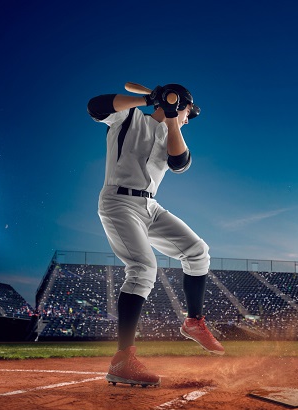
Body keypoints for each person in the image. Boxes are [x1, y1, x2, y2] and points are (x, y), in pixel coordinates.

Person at [87, 84, 224, 388]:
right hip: (118, 201)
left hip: (150, 205)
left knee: (198, 250)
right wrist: (149, 99)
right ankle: (123, 359)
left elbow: (179, 163)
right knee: (143, 268)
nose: (188, 119)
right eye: (189, 112)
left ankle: (193, 321)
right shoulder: (129, 118)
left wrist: (173, 115)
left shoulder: (172, 133)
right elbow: (95, 106)